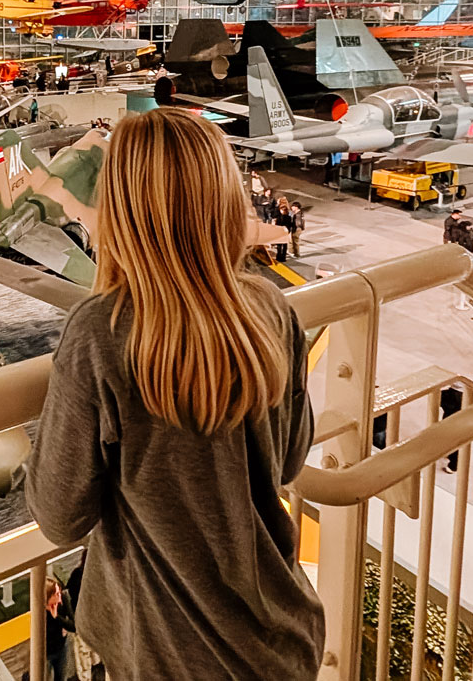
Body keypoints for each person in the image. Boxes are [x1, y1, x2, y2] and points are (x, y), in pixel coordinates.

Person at [25, 107, 320, 681]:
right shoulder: (271, 313)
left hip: (164, 653)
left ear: (122, 211)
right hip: (280, 641)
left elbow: (59, 516)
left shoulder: (100, 334)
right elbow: (286, 461)